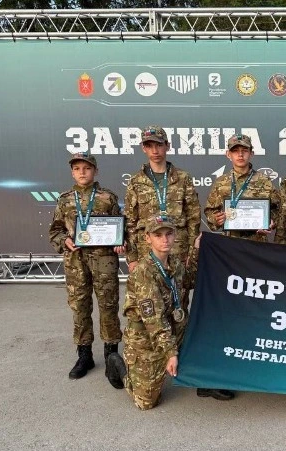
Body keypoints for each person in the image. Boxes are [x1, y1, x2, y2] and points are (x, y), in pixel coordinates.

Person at [48, 152, 122, 380]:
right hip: (76, 261)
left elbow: (121, 227)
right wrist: (64, 240)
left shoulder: (108, 197)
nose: (82, 172)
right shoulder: (64, 200)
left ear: (95, 171)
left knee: (108, 305)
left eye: (87, 168)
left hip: (104, 260)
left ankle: (111, 355)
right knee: (80, 307)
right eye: (77, 168)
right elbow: (56, 230)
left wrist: (121, 240)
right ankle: (84, 355)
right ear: (72, 172)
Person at [124, 125, 200, 337]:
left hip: (178, 249)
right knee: (149, 302)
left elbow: (194, 218)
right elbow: (130, 221)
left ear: (167, 146)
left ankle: (179, 346)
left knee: (179, 300)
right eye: (149, 146)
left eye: (159, 145)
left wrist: (191, 253)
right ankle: (155, 347)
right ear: (143, 148)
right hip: (146, 252)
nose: (155, 150)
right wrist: (132, 257)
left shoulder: (183, 178)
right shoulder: (136, 181)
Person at [106, 216, 185, 410]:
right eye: (158, 235)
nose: (164, 239)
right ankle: (118, 365)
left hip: (170, 328)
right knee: (146, 402)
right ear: (148, 238)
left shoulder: (175, 263)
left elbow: (190, 278)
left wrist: (199, 249)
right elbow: (154, 319)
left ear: (175, 235)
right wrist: (170, 353)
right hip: (144, 337)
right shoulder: (144, 271)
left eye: (169, 234)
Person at [204, 133, 280, 242]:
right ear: (228, 154)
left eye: (244, 150)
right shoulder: (221, 182)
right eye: (235, 151)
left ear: (251, 153)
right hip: (230, 243)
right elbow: (210, 211)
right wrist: (216, 219)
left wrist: (270, 222)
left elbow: (277, 209)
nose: (240, 155)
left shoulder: (264, 181)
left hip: (257, 242)